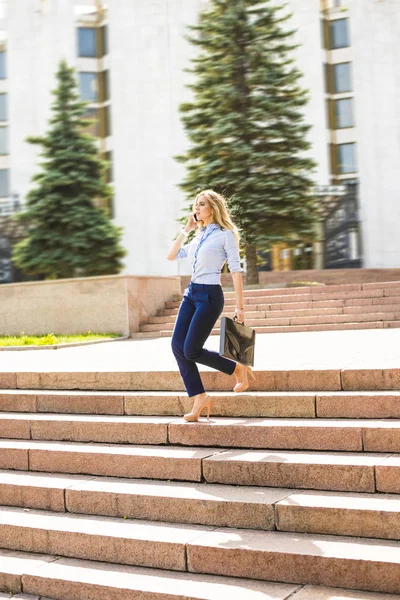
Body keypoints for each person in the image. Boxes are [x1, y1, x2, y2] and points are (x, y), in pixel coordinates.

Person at [166, 189, 255, 423]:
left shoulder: (226, 235)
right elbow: (172, 255)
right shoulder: (199, 235)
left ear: (213, 208)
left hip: (210, 296)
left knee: (191, 349)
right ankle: (199, 397)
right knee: (177, 345)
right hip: (192, 294)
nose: (196, 209)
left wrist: (240, 307)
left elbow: (235, 270)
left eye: (201, 204)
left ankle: (236, 369)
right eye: (195, 205)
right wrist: (186, 229)